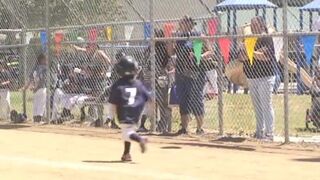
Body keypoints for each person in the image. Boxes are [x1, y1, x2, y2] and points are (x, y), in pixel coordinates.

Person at [167, 15, 213, 135]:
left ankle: (199, 128)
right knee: (183, 99)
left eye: (187, 23)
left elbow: (210, 52)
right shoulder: (178, 37)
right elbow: (171, 52)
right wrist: (170, 41)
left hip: (196, 72)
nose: (184, 25)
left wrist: (200, 56)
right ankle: (184, 128)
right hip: (181, 72)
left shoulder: (198, 36)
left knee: (196, 98)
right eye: (182, 23)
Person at [238, 16, 276, 140]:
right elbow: (241, 57)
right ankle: (260, 131)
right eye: (251, 25)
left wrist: (250, 52)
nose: (252, 27)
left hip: (265, 77)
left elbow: (265, 57)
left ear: (261, 25)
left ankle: (270, 133)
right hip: (252, 76)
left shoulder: (266, 38)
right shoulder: (249, 39)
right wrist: (246, 52)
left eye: (255, 25)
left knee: (266, 105)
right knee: (257, 106)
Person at [108, 55, 150, 162]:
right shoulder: (139, 84)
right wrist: (147, 111)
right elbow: (148, 98)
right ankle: (126, 154)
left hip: (124, 112)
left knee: (127, 133)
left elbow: (112, 102)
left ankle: (140, 139)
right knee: (129, 130)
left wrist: (110, 116)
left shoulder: (118, 84)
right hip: (137, 113)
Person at [22, 54, 48, 123]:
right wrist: (36, 87)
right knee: (41, 104)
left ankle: (35, 119)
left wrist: (26, 87)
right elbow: (41, 79)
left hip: (35, 88)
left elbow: (30, 79)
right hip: (41, 87)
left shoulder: (35, 68)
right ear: (41, 60)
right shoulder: (44, 68)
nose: (46, 60)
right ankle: (39, 119)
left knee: (36, 104)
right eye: (45, 59)